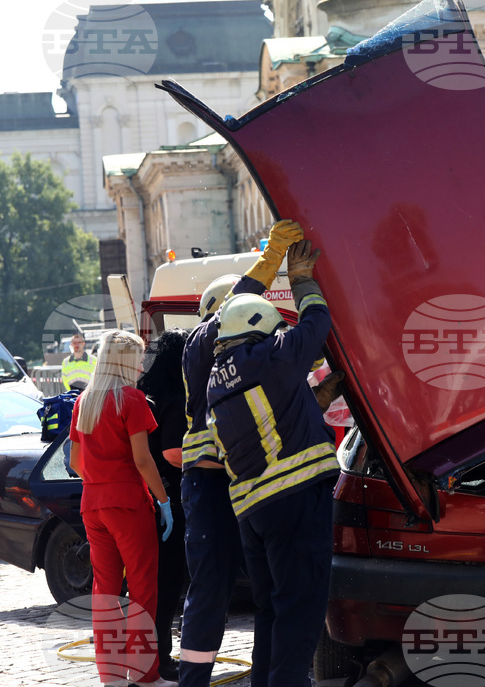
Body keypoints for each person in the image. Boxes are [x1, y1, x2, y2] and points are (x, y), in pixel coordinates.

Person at [207, 239, 339, 687]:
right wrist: (301, 279)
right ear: (262, 327)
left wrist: (313, 401)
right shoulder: (271, 355)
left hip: (252, 512)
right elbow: (317, 322)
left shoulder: (218, 376)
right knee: (301, 612)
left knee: (271, 611)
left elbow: (269, 417)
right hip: (295, 501)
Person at [177, 220, 303, 687]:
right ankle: (193, 681)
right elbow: (244, 294)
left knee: (266, 593)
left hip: (242, 483)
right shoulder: (202, 342)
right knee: (211, 589)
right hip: (210, 484)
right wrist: (273, 255)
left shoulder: (238, 355)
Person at [69, 329, 177, 687]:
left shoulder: (84, 401)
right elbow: (144, 461)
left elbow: (75, 462)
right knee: (143, 590)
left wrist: (101, 480)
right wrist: (164, 501)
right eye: (139, 357)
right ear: (127, 361)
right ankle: (146, 676)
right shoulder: (132, 400)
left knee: (105, 591)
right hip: (128, 505)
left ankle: (111, 677)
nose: (143, 364)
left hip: (93, 504)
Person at [138, 329, 190, 681]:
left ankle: (142, 656)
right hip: (169, 497)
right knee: (168, 582)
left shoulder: (141, 392)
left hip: (140, 498)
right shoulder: (175, 394)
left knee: (146, 583)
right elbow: (174, 454)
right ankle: (161, 657)